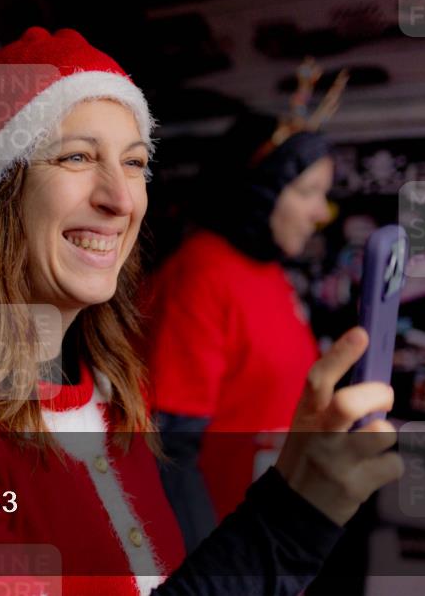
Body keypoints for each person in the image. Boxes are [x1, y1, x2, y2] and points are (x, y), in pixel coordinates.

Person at [0, 28, 403, 595]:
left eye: (134, 161)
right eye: (76, 156)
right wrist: (293, 514)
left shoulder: (109, 379)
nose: (121, 199)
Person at [142, 108, 340, 550]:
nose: (320, 212)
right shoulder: (201, 274)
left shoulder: (271, 273)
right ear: (262, 190)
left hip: (274, 536)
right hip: (223, 547)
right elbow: (167, 450)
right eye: (307, 192)